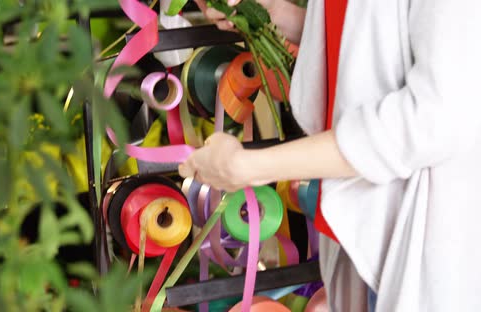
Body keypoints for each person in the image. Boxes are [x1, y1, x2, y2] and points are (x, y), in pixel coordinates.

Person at [180, 0, 481, 311]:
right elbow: (372, 41)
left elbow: (438, 117)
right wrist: (278, 15)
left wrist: (254, 166)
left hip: (421, 233)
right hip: (356, 231)